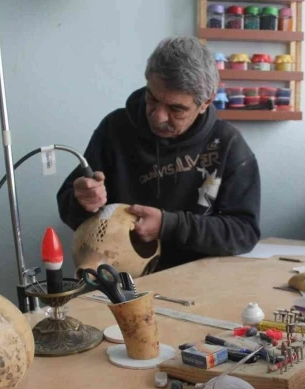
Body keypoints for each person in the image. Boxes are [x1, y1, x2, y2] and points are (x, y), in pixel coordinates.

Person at [56, 36, 261, 271]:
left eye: (176, 109)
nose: (158, 116)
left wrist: (170, 225)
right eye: (152, 98)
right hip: (121, 278)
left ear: (206, 102)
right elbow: (70, 210)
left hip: (196, 278)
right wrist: (82, 201)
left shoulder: (227, 144)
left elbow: (244, 232)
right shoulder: (115, 129)